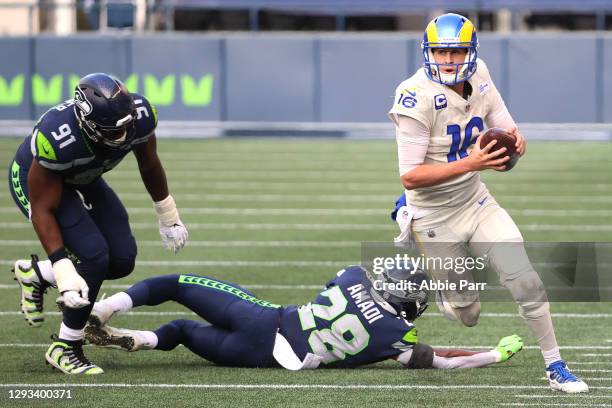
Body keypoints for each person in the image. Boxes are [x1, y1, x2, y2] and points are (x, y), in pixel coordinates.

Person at [388, 13, 587, 393]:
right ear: (428, 53)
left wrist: (515, 139)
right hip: (432, 213)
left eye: (456, 51)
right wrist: (472, 162)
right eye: (440, 52)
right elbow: (410, 176)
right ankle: (452, 298)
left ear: (471, 51)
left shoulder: (479, 73)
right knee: (469, 315)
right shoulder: (414, 95)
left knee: (526, 280)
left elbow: (504, 125)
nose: (448, 60)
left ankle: (555, 366)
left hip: (476, 201)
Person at [8, 73, 189, 375]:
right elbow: (42, 209)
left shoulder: (138, 115)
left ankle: (37, 274)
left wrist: (167, 213)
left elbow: (149, 162)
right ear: (88, 125)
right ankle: (66, 346)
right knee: (93, 255)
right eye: (116, 130)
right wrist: (63, 266)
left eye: (129, 123)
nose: (127, 133)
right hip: (36, 181)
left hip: (84, 175)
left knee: (121, 259)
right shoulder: (58, 138)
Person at [83, 265, 523, 371]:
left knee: (176, 285)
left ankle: (105, 309)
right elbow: (445, 360)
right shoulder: (396, 336)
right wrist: (493, 354)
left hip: (264, 320)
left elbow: (351, 285)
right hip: (261, 357)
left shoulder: (353, 278)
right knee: (180, 333)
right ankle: (138, 340)